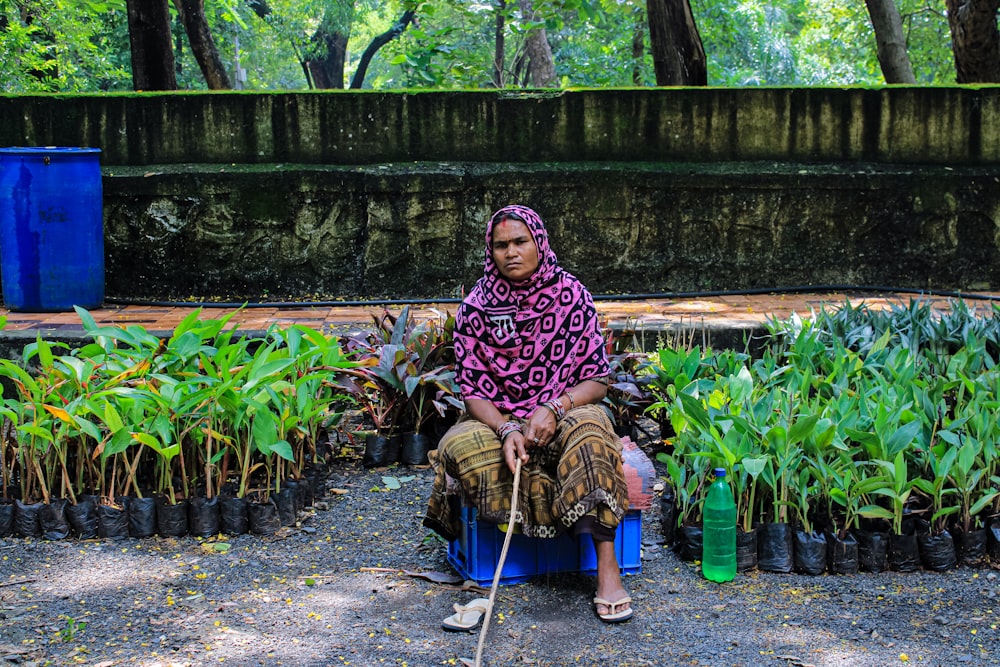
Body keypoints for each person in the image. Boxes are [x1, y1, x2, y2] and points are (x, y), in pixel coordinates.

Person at [424, 204, 633, 626]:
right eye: (501, 245)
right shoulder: (476, 307)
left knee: (593, 436)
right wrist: (504, 428)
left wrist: (555, 407)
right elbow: (473, 391)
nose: (511, 252)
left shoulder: (572, 295)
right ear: (491, 250)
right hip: (498, 417)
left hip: (567, 407)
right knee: (460, 446)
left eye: (520, 242)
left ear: (539, 243)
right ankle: (503, 551)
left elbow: (596, 380)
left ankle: (607, 570)